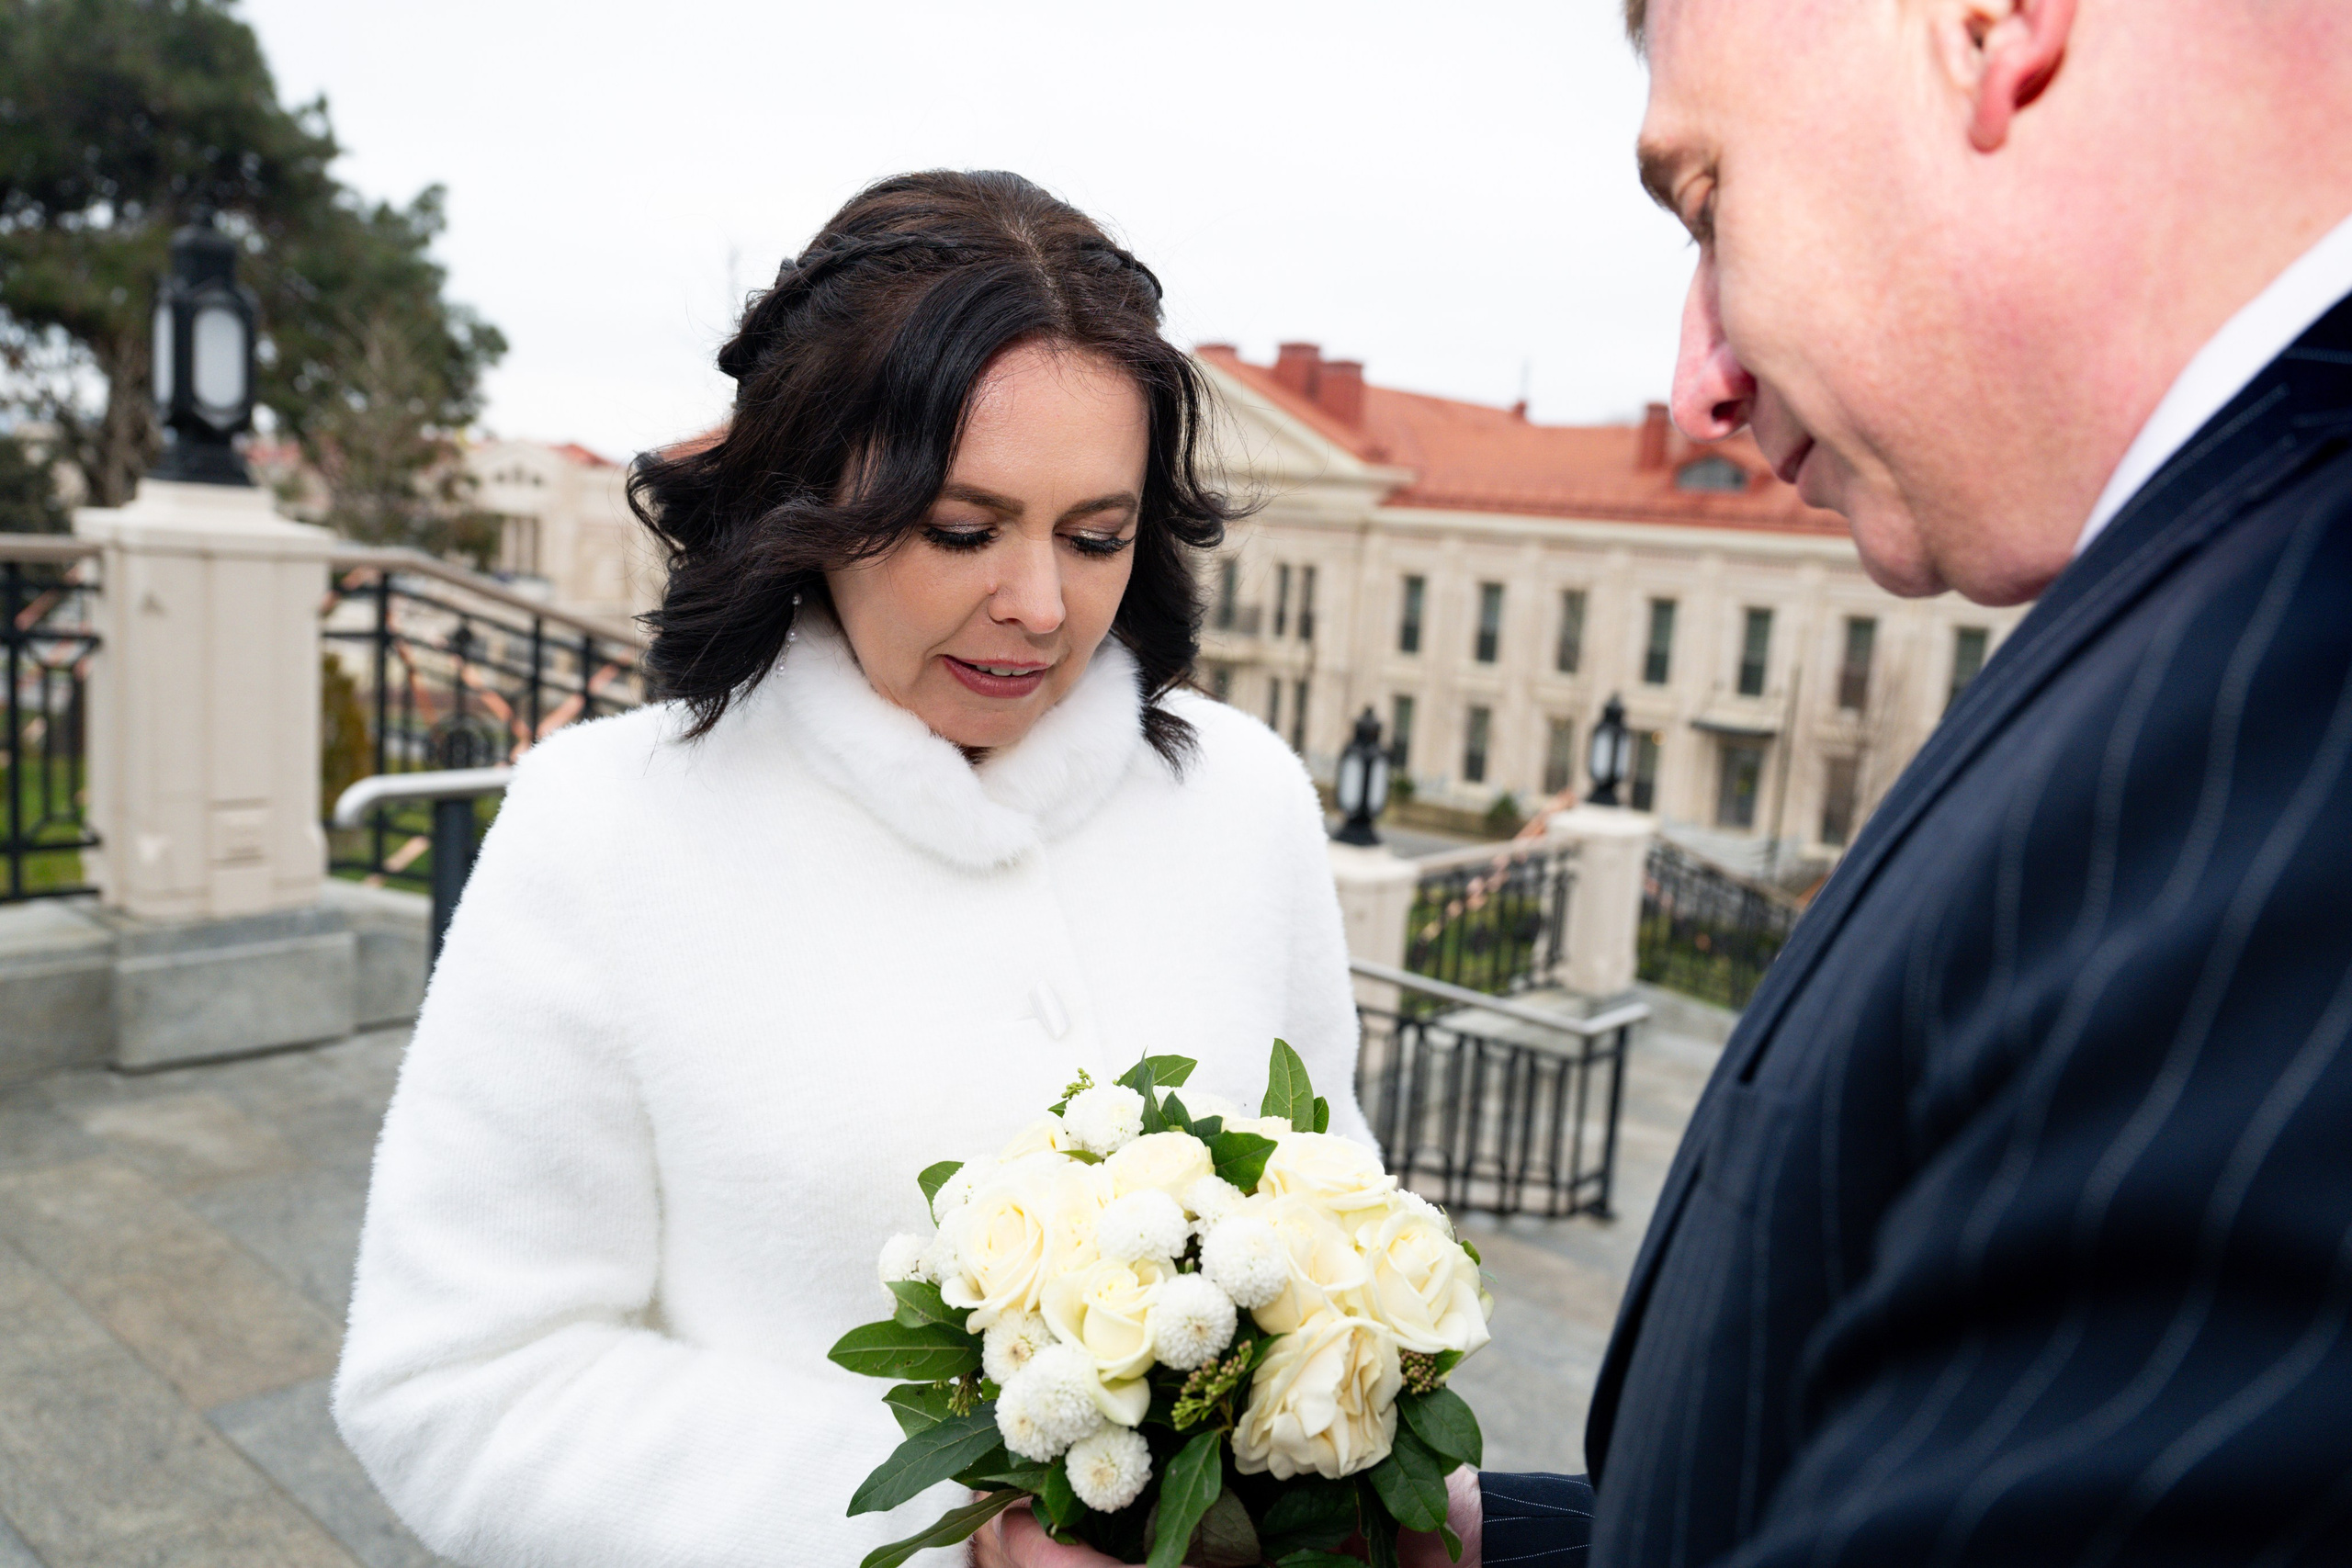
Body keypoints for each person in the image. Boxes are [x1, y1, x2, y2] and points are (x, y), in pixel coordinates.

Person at [994, 0, 2352, 1563]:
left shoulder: (2291, 687)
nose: (1696, 381)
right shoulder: (2219, 605)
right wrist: (1479, 1543)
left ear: (1994, 27)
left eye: (1709, 204)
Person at [332, 170, 1379, 1568]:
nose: (1039, 606)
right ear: (805, 494)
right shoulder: (605, 830)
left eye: (1097, 535)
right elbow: (455, 1386)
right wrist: (949, 1537)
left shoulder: (1246, 801)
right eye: (963, 530)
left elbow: (1341, 1252)